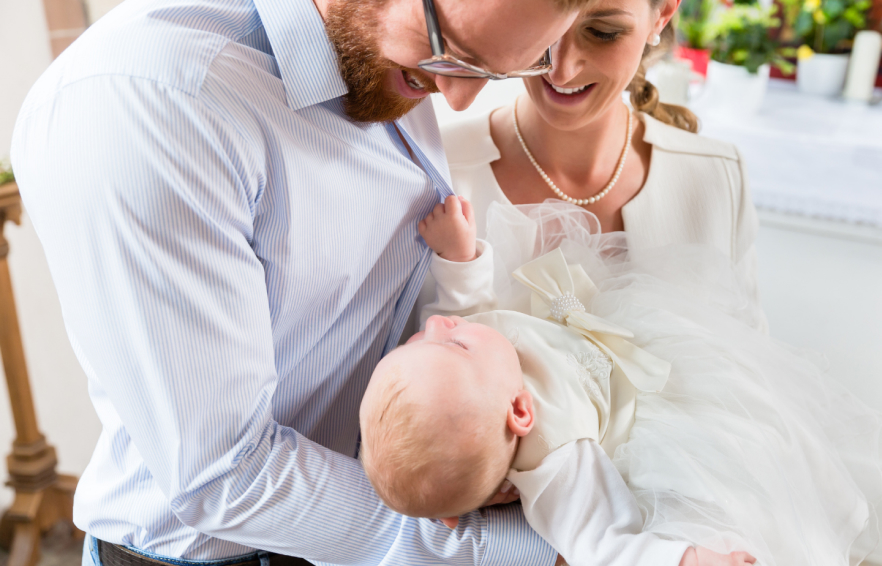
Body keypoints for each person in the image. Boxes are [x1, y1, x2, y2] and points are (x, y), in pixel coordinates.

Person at [10, 0, 587, 564]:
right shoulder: (153, 101)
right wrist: (525, 551)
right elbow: (224, 476)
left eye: (495, 70)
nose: (456, 95)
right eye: (450, 51)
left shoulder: (379, 56)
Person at [386, 195, 882, 566]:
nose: (434, 325)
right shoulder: (555, 460)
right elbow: (599, 543)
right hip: (660, 415)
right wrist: (686, 559)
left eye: (415, 344)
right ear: (520, 411)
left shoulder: (465, 369)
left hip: (640, 339)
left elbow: (459, 308)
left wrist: (458, 257)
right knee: (766, 448)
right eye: (451, 342)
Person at [431, 0, 765, 324]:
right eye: (545, 23)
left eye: (603, 32)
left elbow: (745, 364)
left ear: (661, 14)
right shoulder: (439, 170)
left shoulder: (717, 176)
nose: (561, 70)